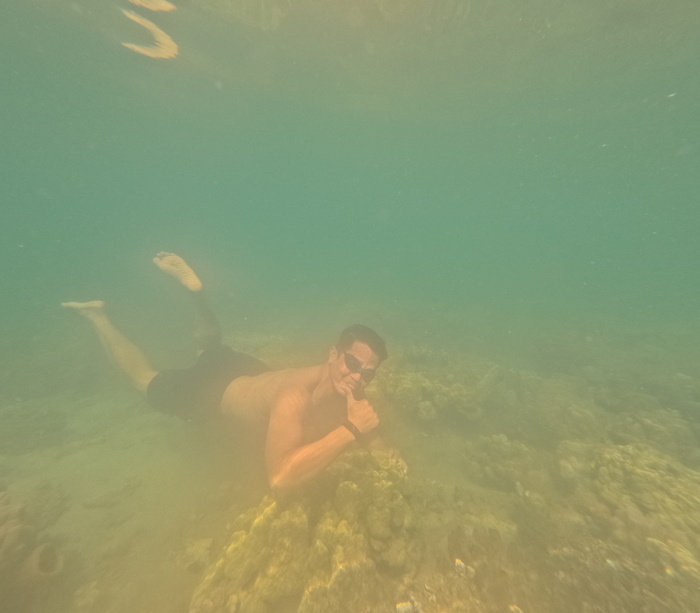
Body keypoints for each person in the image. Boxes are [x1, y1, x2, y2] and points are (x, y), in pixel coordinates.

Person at [62, 252, 402, 495]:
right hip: (211, 391)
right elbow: (280, 479)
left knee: (208, 347)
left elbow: (371, 435)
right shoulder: (293, 397)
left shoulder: (351, 386)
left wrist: (387, 454)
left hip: (247, 370)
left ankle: (196, 294)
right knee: (143, 378)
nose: (358, 377)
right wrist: (350, 430)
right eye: (352, 364)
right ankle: (97, 317)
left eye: (367, 373)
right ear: (333, 354)